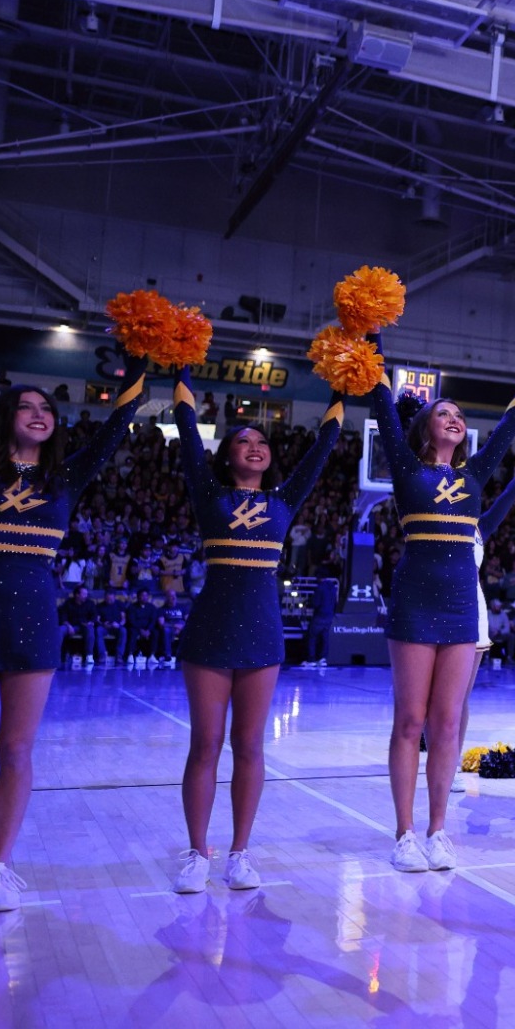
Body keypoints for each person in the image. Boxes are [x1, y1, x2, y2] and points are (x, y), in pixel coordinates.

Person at [0, 331, 147, 916]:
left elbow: (116, 426)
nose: (41, 413)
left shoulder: (66, 477)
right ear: (4, 417)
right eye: (27, 405)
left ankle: (0, 865)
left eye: (48, 408)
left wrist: (138, 362)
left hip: (35, 622)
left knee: (18, 749)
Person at [367, 335, 515, 872]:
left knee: (447, 724)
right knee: (410, 722)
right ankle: (404, 834)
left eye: (457, 414)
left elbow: (514, 421)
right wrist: (374, 338)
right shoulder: (406, 467)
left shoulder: (472, 476)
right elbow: (381, 401)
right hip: (416, 604)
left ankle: (437, 829)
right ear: (423, 428)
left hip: (460, 611)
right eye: (441, 413)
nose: (452, 418)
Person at [168, 368, 344, 893]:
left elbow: (322, 447)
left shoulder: (284, 501)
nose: (254, 446)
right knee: (205, 743)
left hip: (262, 634)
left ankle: (240, 852)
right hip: (209, 633)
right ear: (225, 456)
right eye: (242, 440)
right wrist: (179, 372)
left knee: (249, 745)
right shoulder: (209, 495)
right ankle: (198, 852)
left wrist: (343, 388)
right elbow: (185, 431)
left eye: (262, 441)